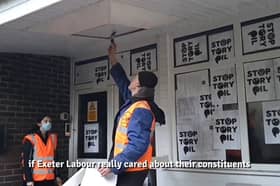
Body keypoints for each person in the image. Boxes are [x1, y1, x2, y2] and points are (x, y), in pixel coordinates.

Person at [98, 42, 165, 186]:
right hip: (126, 166)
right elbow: (122, 81)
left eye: (135, 78)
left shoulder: (141, 109)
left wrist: (114, 164)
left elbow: (138, 145)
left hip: (132, 169)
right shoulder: (134, 102)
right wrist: (113, 58)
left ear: (138, 86)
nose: (132, 79)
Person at [22, 115, 63, 186]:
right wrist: (29, 179)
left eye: (50, 121)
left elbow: (55, 159)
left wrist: (57, 175)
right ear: (39, 124)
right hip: (35, 180)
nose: (48, 123)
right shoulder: (31, 139)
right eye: (46, 121)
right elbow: (26, 161)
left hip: (49, 179)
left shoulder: (52, 139)